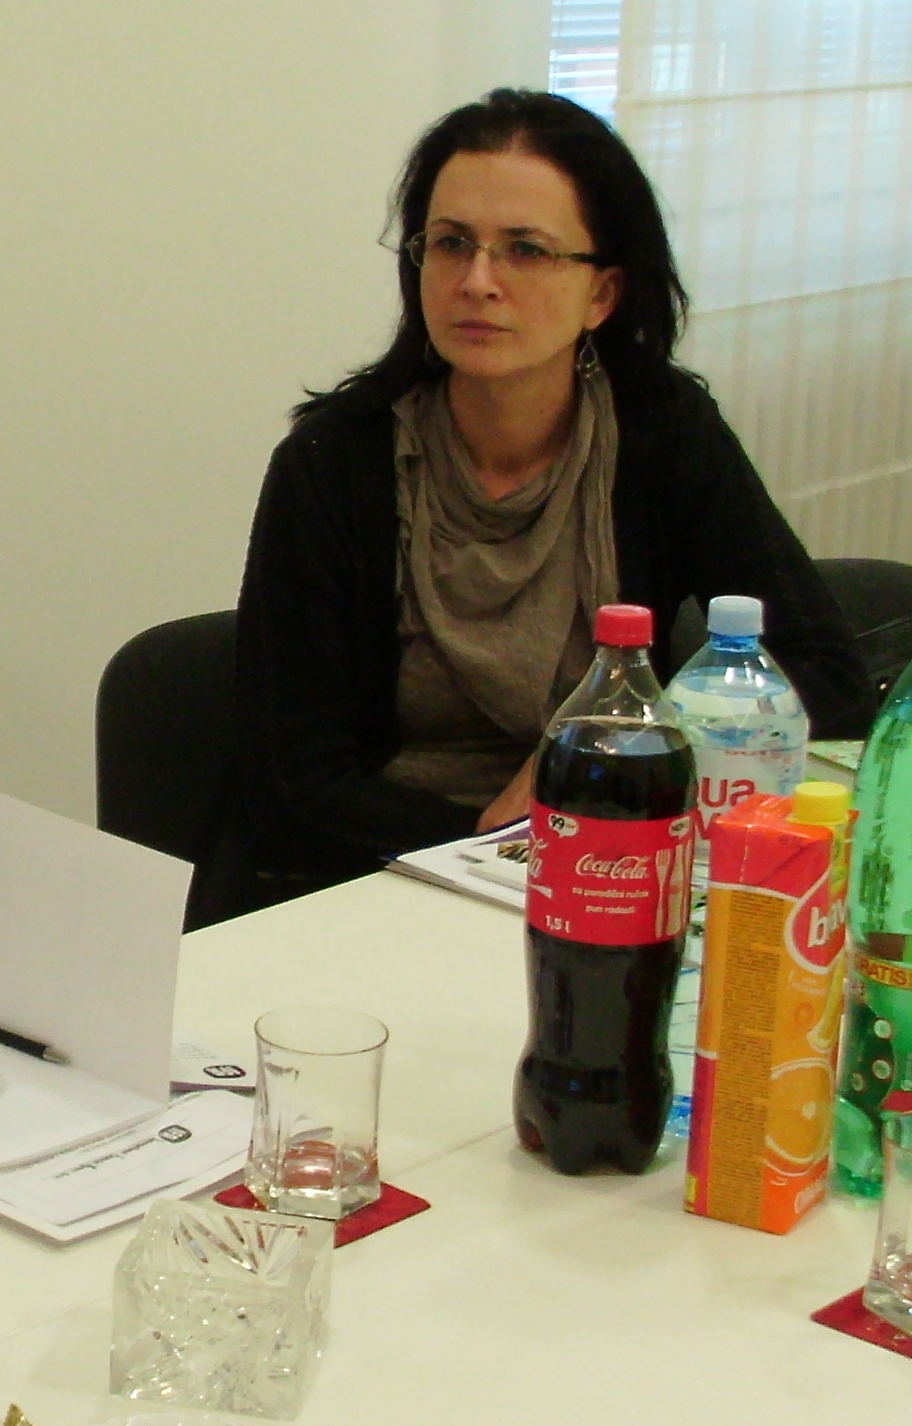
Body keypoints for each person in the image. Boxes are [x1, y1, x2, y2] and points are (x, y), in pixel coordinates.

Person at [225, 89, 872, 911]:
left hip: (615, 857)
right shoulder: (333, 464)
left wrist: (608, 750)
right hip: (384, 877)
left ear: (602, 294)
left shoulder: (661, 435)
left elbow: (823, 672)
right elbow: (291, 783)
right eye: (451, 244)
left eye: (525, 251)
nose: (477, 282)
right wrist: (499, 849)